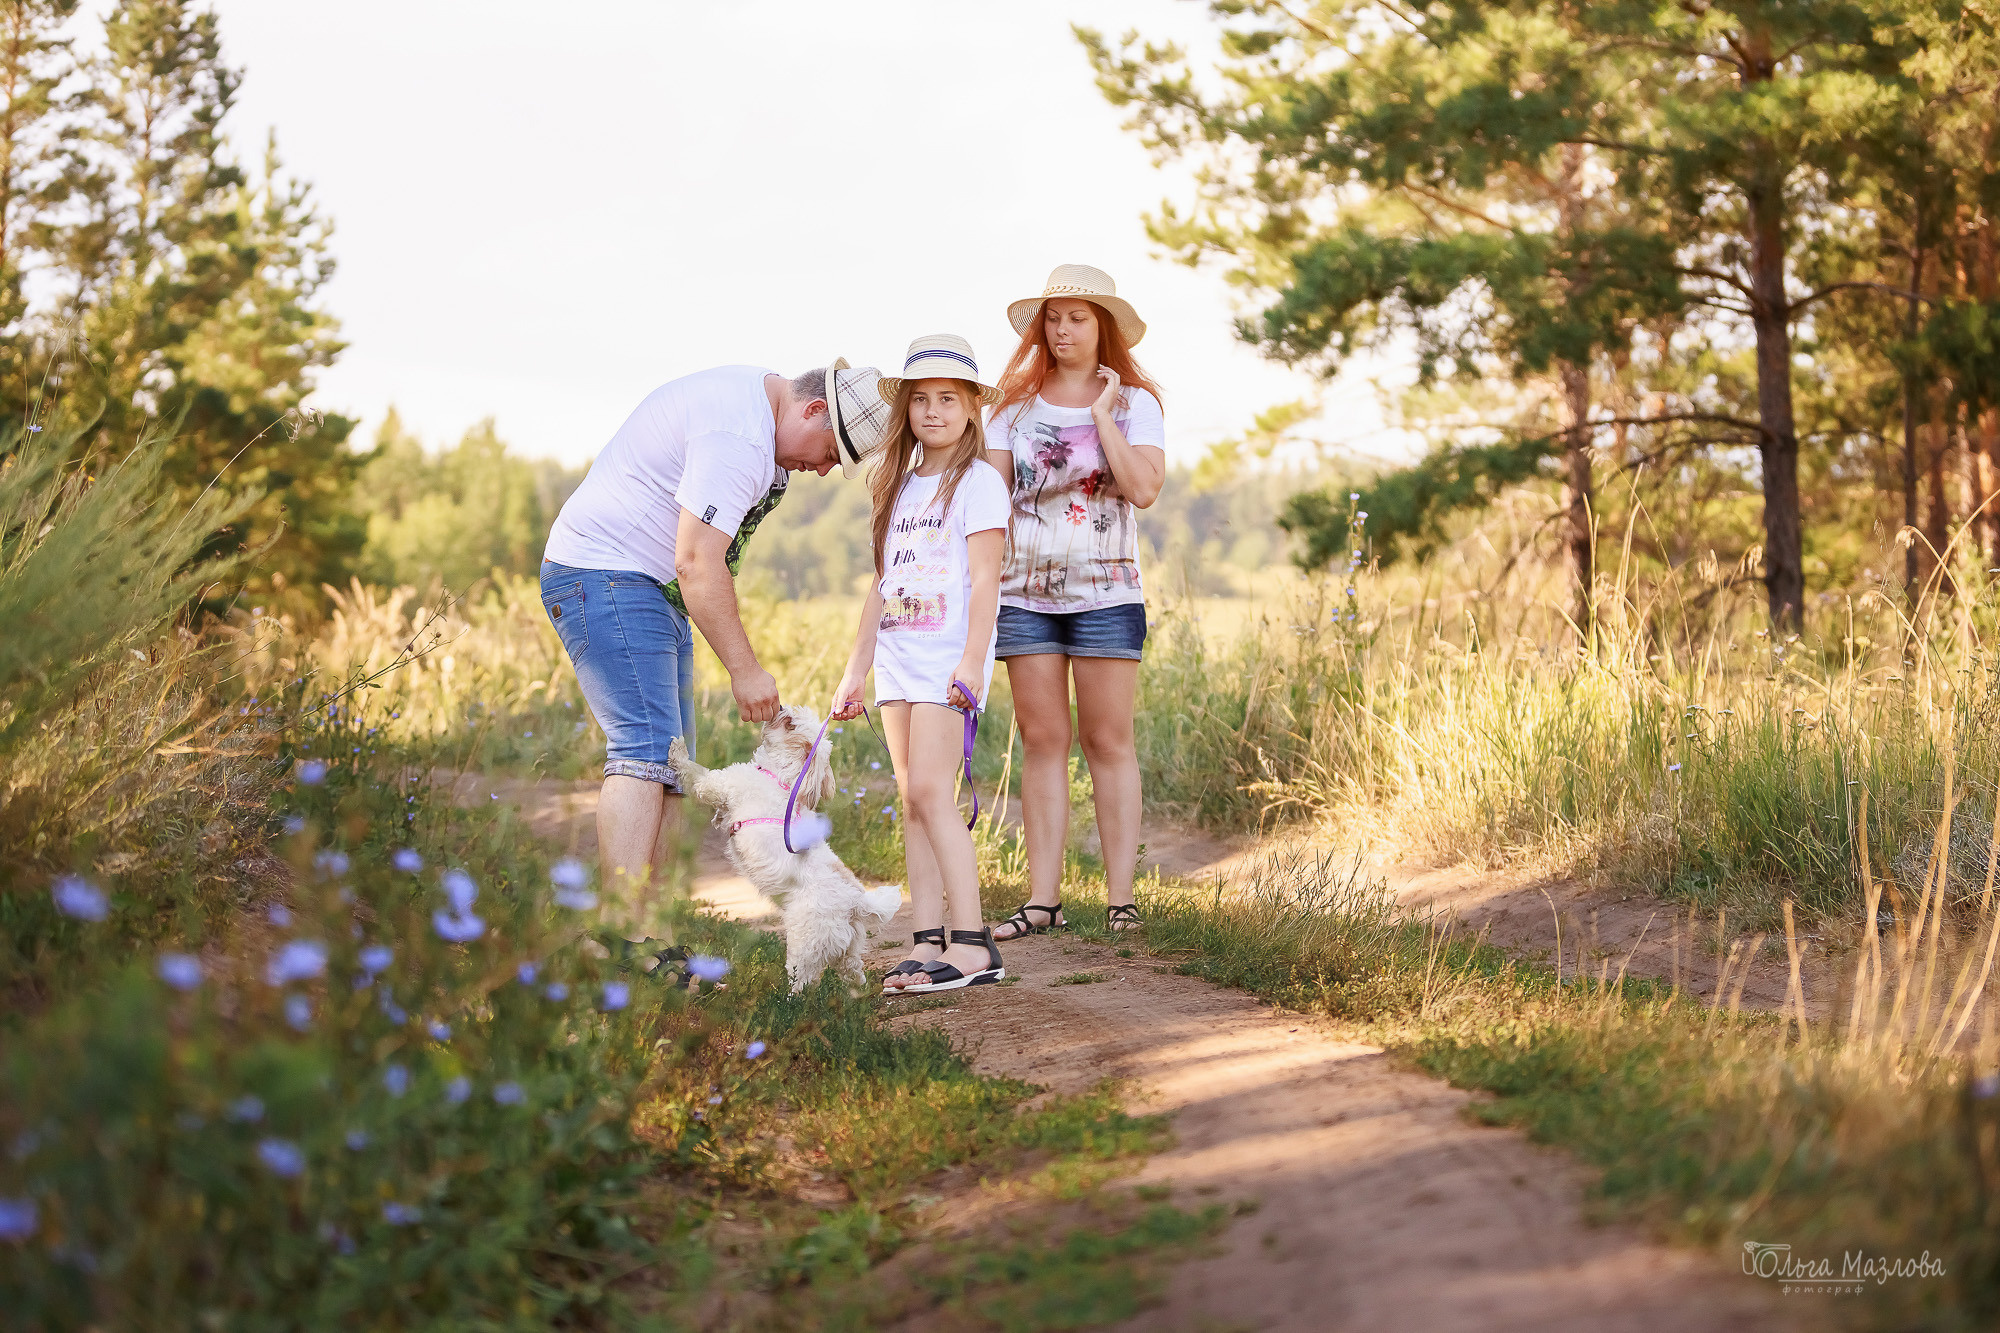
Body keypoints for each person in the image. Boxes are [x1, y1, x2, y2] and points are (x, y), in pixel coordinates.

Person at [541, 359, 890, 918]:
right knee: (644, 753)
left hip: (648, 587)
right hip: (606, 576)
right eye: (831, 452)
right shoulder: (738, 437)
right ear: (815, 409)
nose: (824, 470)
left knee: (675, 766)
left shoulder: (759, 416)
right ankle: (619, 937)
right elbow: (698, 562)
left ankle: (650, 935)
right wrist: (745, 670)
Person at [984, 265, 1166, 938]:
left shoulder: (1137, 403)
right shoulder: (1007, 408)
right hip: (1024, 592)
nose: (1063, 330)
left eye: (1078, 318)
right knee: (1043, 739)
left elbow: (1144, 490)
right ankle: (1042, 900)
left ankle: (1122, 901)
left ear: (1103, 327)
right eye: (1053, 318)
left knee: (1108, 740)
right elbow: (992, 499)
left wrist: (1101, 416)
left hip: (1108, 590)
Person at [831, 335, 1012, 992]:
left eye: (948, 399)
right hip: (899, 661)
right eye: (922, 400)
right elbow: (881, 585)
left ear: (969, 408)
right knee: (913, 799)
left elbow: (987, 580)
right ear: (905, 408)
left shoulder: (981, 482)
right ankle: (924, 939)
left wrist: (972, 661)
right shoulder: (899, 487)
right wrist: (856, 669)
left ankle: (973, 944)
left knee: (935, 794)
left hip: (946, 661)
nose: (933, 411)